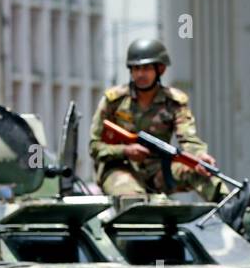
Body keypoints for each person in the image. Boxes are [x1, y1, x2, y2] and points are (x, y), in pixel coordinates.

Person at [88, 38, 222, 200]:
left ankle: (234, 209)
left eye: (146, 68)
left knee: (202, 172)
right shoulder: (114, 101)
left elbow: (188, 138)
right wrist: (125, 151)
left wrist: (199, 156)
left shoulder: (174, 102)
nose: (140, 74)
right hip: (120, 169)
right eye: (136, 69)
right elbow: (94, 146)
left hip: (159, 169)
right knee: (133, 200)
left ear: (160, 70)